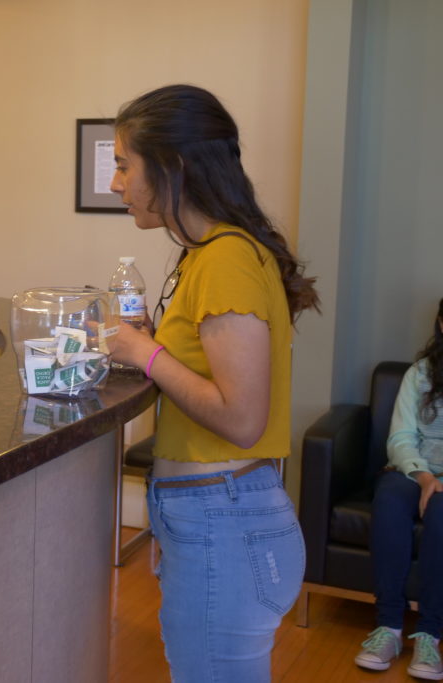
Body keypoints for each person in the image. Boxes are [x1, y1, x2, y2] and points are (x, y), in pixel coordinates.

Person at [106, 84, 319, 681]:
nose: (116, 183)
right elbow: (207, 366)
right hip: (212, 513)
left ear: (171, 166)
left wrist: (147, 355)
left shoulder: (225, 256)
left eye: (124, 165)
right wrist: (158, 343)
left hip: (224, 517)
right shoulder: (204, 254)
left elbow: (242, 417)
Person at [356, 298, 443, 680]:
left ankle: (429, 634)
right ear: (442, 324)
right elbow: (401, 438)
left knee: (441, 511)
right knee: (389, 499)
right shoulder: (420, 373)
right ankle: (389, 627)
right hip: (412, 471)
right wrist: (423, 476)